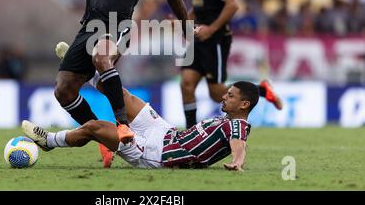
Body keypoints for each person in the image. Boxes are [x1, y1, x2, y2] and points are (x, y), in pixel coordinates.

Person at [56, 0, 188, 143]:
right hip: (89, 27)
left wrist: (187, 24)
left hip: (118, 25)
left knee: (102, 57)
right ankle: (103, 138)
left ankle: (122, 126)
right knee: (64, 90)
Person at [22, 80, 259, 171]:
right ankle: (86, 71)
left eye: (230, 96)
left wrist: (237, 162)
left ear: (244, 104)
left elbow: (239, 144)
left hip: (156, 154)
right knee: (125, 97)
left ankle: (50, 142)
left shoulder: (237, 125)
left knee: (95, 127)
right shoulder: (227, 120)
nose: (224, 97)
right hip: (165, 133)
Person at [181, 0, 283, 129]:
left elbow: (232, 5)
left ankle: (261, 90)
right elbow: (197, 7)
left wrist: (210, 29)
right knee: (186, 83)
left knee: (215, 91)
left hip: (214, 39)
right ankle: (190, 130)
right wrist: (185, 22)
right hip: (197, 40)